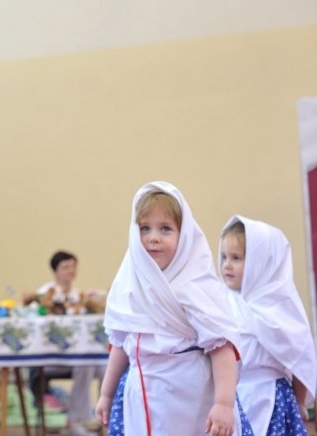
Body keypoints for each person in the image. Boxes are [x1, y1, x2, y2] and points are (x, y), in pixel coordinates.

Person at [95, 182, 251, 436]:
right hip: (140, 397)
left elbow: (222, 348)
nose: (153, 237)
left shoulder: (195, 287)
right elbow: (121, 343)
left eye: (165, 229)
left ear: (184, 235)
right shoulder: (129, 287)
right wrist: (106, 394)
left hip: (188, 399)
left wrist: (223, 404)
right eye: (145, 228)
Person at [220, 216, 316, 436]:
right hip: (232, 397)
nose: (226, 264)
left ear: (262, 262)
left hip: (273, 398)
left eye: (236, 258)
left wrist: (300, 401)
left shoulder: (282, 306)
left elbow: (300, 356)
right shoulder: (220, 301)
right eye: (224, 256)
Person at [24, 251, 105, 436]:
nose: (71, 270)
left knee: (104, 364)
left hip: (76, 356)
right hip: (51, 356)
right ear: (55, 271)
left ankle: (106, 417)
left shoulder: (80, 296)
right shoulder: (44, 296)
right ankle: (73, 422)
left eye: (73, 266)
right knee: (87, 363)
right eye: (65, 267)